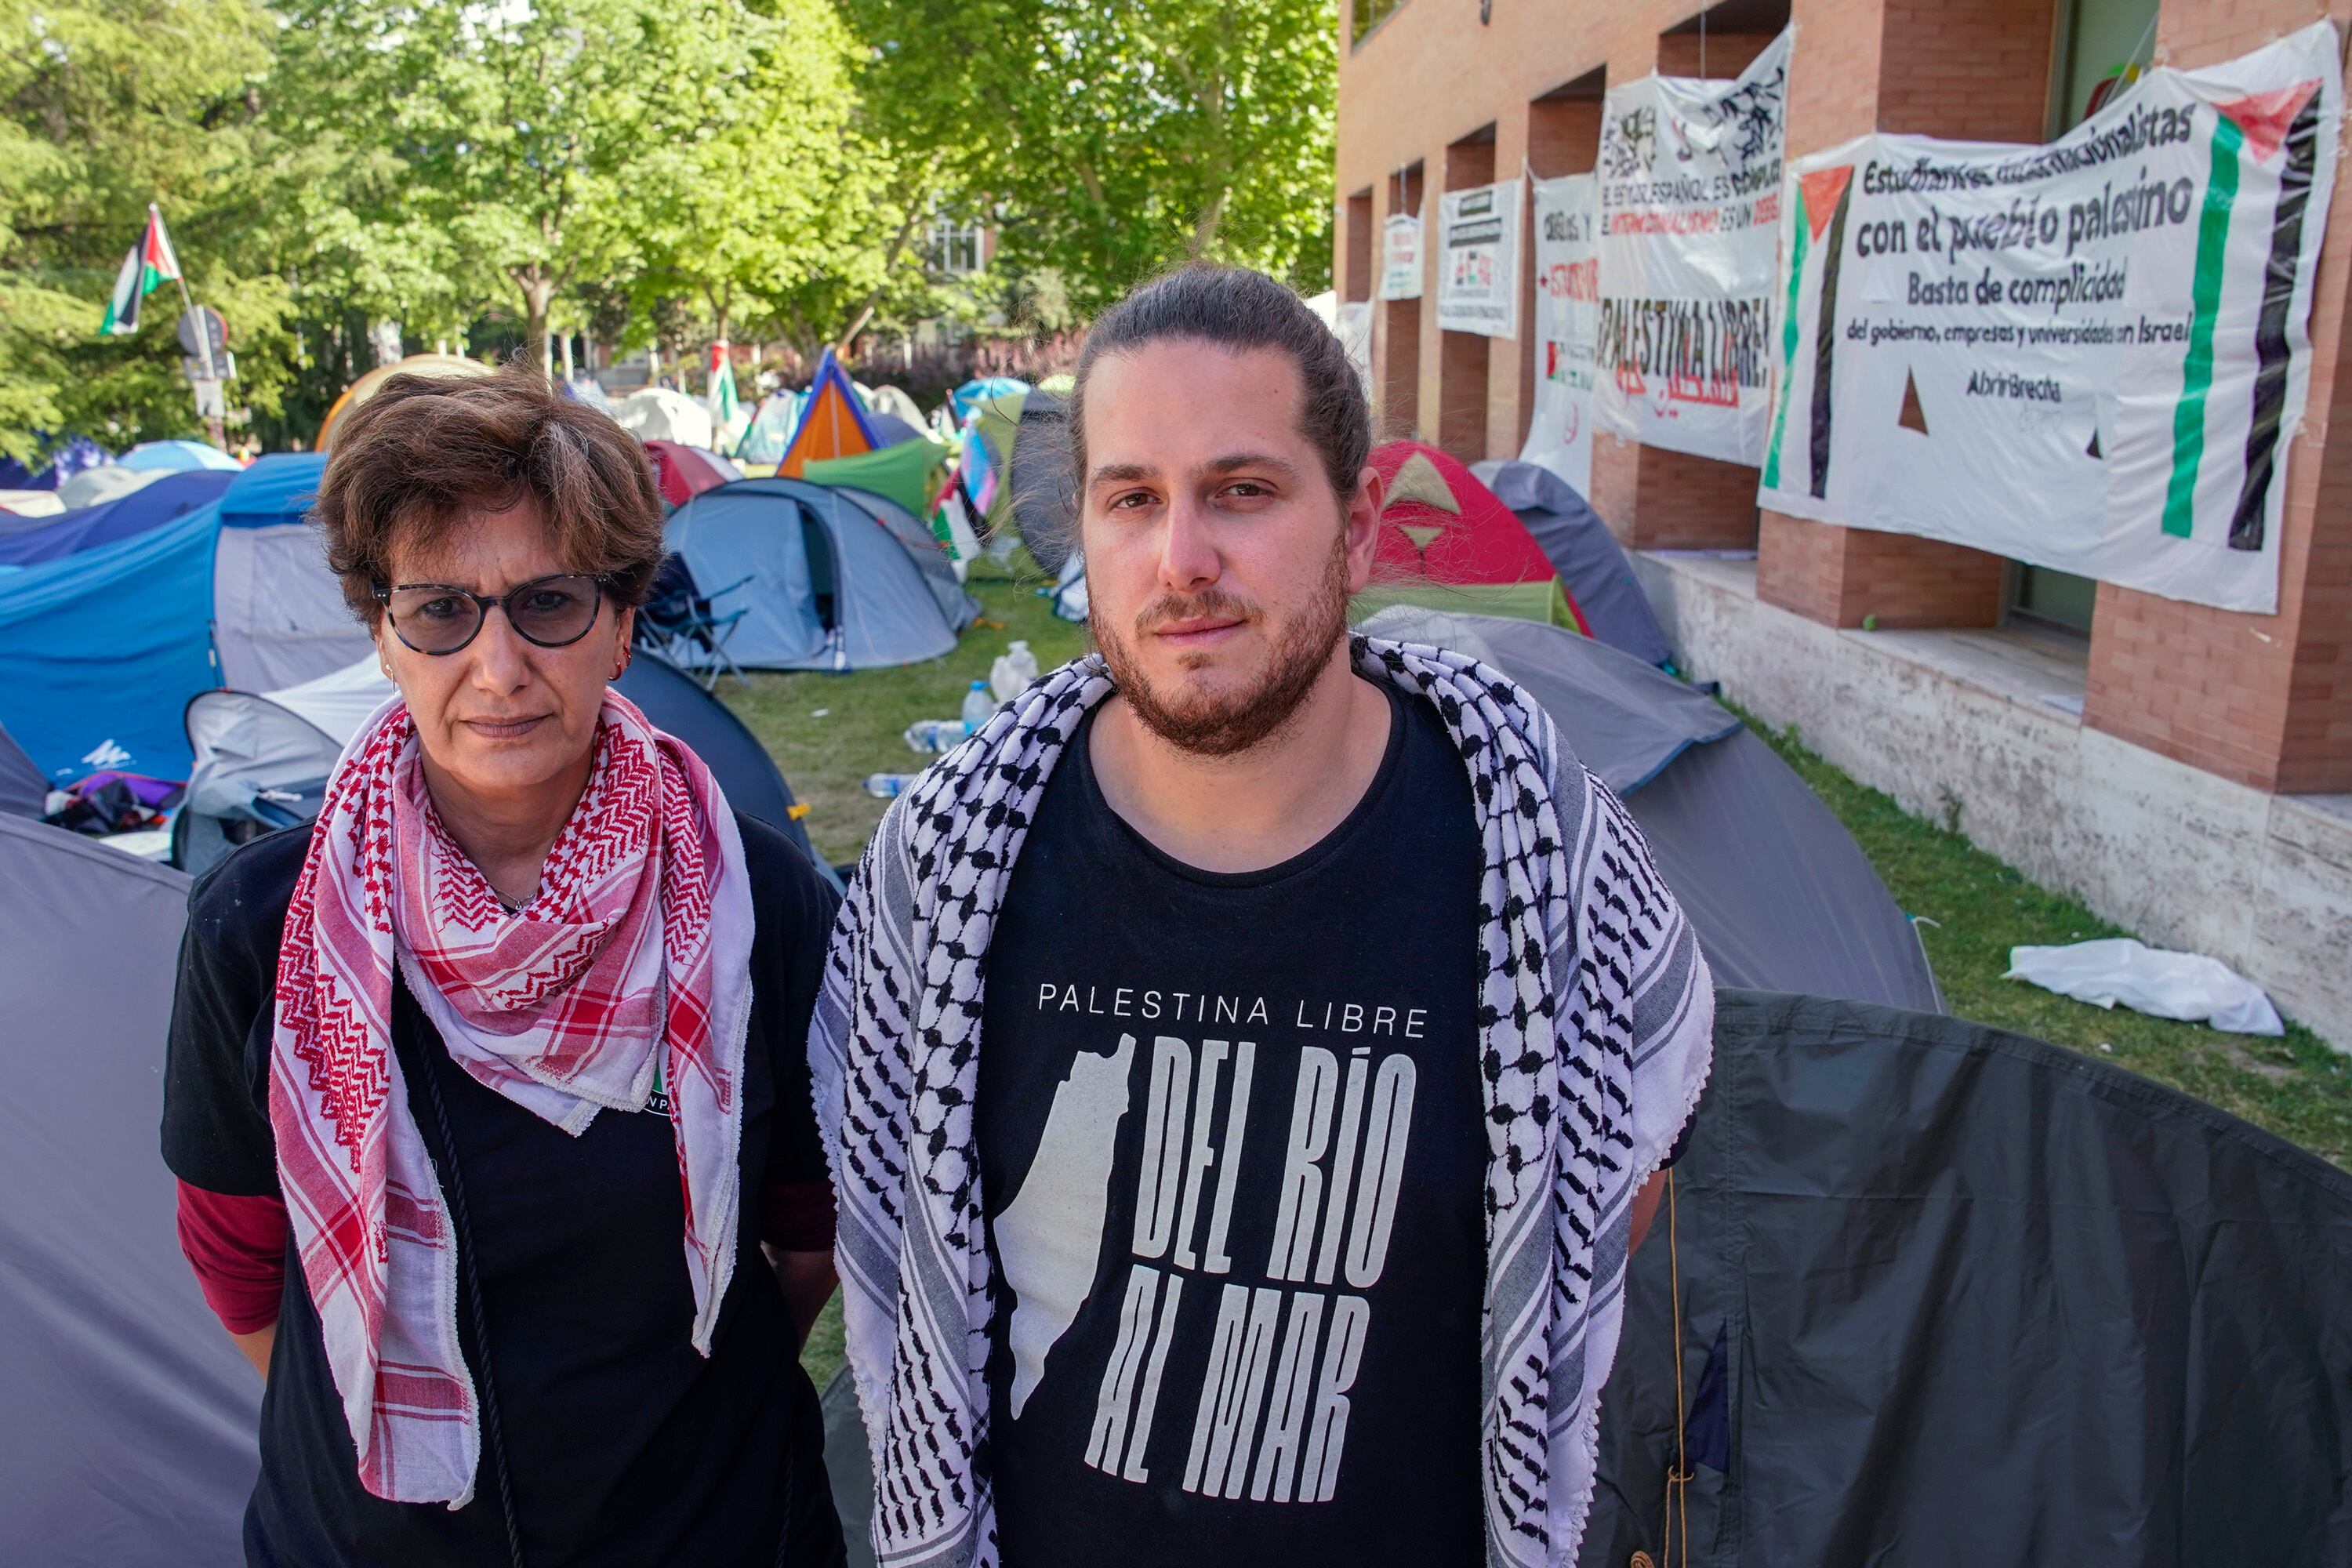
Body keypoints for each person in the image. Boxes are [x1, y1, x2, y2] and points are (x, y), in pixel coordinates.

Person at [811, 265, 1714, 1567]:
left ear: (1355, 531)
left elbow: (1617, 1186)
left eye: (1242, 491)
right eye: (1133, 500)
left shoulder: (1532, 859)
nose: (1182, 560)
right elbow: (892, 1229)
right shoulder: (953, 868)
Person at [162, 365, 845, 1566]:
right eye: (439, 610)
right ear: (382, 633)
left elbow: (804, 1229)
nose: (497, 664)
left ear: (625, 624)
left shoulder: (762, 902)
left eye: (548, 603)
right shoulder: (258, 926)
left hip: (709, 1529)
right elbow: (237, 1258)